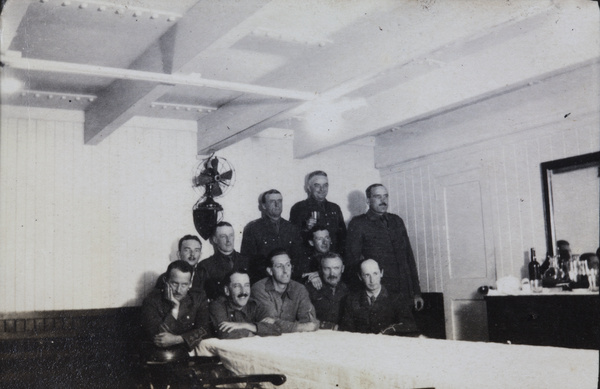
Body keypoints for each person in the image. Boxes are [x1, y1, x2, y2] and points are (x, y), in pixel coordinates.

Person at [346, 184, 424, 311]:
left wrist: (416, 292)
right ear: (368, 200)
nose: (383, 200)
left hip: (404, 292)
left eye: (385, 196)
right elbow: (352, 263)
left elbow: (409, 257)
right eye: (377, 196)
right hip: (379, 293)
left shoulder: (397, 221)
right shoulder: (358, 223)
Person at [141, 260, 210, 354]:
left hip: (190, 352)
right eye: (174, 283)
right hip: (161, 355)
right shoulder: (151, 301)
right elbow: (160, 338)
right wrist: (175, 308)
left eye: (184, 285)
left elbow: (205, 331)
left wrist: (178, 339)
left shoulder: (198, 298)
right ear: (165, 280)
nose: (178, 290)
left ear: (190, 284)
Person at [339, 259, 419, 336]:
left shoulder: (396, 298)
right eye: (367, 275)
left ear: (381, 273)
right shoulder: (352, 300)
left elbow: (410, 325)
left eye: (375, 274)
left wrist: (390, 330)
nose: (372, 280)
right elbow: (346, 331)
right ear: (360, 277)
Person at [241, 189, 306, 283]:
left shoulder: (291, 228)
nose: (277, 204)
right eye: (272, 202)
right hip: (264, 282)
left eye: (279, 201)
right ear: (263, 206)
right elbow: (248, 261)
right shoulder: (253, 228)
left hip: (290, 281)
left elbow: (298, 259)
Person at [250, 249, 320, 333]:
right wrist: (300, 327)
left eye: (288, 265)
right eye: (279, 266)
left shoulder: (299, 289)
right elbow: (268, 325)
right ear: (270, 271)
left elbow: (311, 323)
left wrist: (303, 326)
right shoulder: (259, 288)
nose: (285, 270)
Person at [209, 270, 281, 339]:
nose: (243, 291)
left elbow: (276, 329)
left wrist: (245, 325)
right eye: (237, 286)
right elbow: (224, 333)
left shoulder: (255, 305)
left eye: (246, 285)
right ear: (227, 291)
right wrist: (256, 332)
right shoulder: (217, 306)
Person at [290, 170, 346, 254]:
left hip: (333, 258)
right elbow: (292, 238)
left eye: (325, 185)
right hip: (311, 260)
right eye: (317, 186)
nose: (322, 189)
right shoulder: (299, 208)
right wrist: (306, 228)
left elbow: (343, 236)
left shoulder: (335, 208)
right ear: (309, 188)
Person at [198, 222, 248, 301]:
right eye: (223, 236)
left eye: (231, 235)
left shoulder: (246, 261)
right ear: (215, 240)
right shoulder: (206, 266)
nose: (228, 240)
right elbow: (199, 297)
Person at [306, 252, 349, 330]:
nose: (332, 273)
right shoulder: (310, 289)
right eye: (327, 268)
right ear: (321, 270)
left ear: (342, 269)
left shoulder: (348, 289)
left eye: (336, 268)